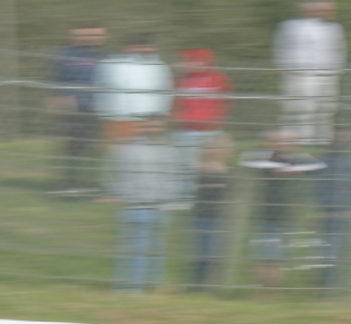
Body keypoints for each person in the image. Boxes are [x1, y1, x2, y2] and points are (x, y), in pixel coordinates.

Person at [104, 118, 185, 293]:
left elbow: (175, 177)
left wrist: (170, 200)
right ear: (143, 127)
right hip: (135, 206)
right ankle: (130, 288)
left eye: (157, 124)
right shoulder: (129, 149)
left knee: (157, 251)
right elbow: (117, 174)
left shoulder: (169, 151)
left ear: (163, 127)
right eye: (149, 124)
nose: (153, 127)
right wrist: (122, 195)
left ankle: (153, 287)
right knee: (134, 250)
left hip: (160, 207)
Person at [241, 132, 324, 286]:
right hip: (264, 217)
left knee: (277, 257)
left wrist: (293, 166)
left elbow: (318, 166)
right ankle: (262, 287)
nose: (281, 145)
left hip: (285, 218)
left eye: (286, 142)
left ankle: (273, 289)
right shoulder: (261, 159)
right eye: (275, 141)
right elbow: (251, 162)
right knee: (264, 257)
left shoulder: (295, 160)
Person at [273, 0, 345, 147]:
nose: (330, 14)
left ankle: (322, 139)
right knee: (303, 107)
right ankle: (300, 139)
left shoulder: (335, 28)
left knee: (327, 108)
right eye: (325, 10)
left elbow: (340, 49)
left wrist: (338, 70)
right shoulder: (291, 26)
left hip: (328, 74)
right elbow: (280, 48)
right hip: (302, 74)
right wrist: (286, 69)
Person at [48, 26, 106, 195]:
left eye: (98, 34)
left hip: (97, 108)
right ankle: (71, 182)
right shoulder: (64, 54)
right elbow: (54, 78)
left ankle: (91, 182)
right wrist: (55, 97)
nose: (94, 38)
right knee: (73, 147)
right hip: (73, 109)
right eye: (89, 34)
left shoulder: (104, 56)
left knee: (94, 147)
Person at [313, 127, 351, 293]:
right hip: (331, 213)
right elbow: (320, 187)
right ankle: (328, 286)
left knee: (339, 250)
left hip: (347, 213)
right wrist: (324, 209)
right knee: (330, 249)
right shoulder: (325, 160)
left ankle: (335, 284)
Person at [171, 49, 231, 200]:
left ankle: (208, 195)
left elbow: (226, 101)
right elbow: (174, 103)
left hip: (210, 130)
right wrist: (178, 118)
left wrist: (217, 119)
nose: (188, 64)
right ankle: (186, 196)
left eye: (194, 60)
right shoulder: (180, 81)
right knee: (187, 165)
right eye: (186, 61)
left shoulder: (218, 79)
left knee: (210, 165)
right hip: (186, 131)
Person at [93, 38, 173, 143]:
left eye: (148, 47)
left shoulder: (160, 66)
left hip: (150, 120)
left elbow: (166, 91)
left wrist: (162, 115)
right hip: (119, 120)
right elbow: (101, 90)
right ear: (124, 48)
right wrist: (104, 115)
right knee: (121, 151)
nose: (144, 50)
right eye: (138, 47)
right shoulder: (110, 64)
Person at [187, 137, 234, 290]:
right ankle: (197, 285)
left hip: (219, 216)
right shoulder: (199, 166)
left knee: (214, 252)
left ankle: (211, 284)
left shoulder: (226, 168)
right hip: (203, 215)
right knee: (202, 251)